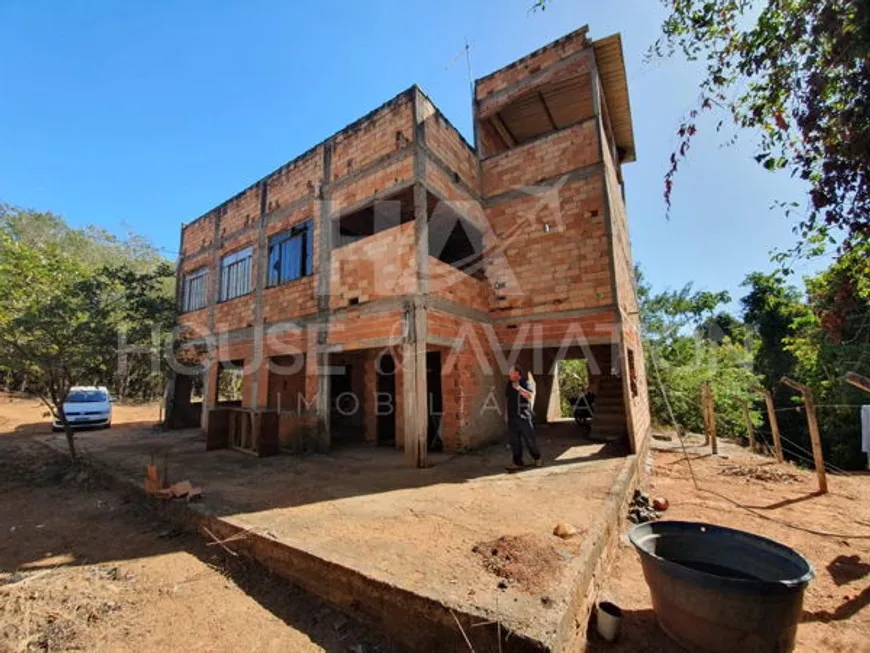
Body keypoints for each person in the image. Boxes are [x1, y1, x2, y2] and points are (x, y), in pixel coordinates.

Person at [505, 364, 542, 470]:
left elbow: (530, 396)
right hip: (512, 418)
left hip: (524, 417)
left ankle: (537, 458)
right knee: (514, 442)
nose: (509, 374)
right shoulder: (509, 384)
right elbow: (507, 400)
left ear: (517, 373)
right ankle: (517, 462)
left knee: (529, 440)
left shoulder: (526, 383)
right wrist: (506, 416)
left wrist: (519, 388)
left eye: (511, 372)